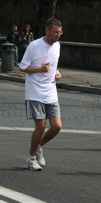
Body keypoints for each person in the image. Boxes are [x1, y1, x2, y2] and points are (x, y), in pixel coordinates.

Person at [19, 18, 63, 171]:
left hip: (51, 91)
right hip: (35, 91)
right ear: (47, 30)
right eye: (55, 32)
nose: (58, 35)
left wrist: (57, 73)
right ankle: (31, 158)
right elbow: (22, 67)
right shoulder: (35, 45)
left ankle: (39, 146)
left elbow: (54, 67)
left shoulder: (57, 46)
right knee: (41, 126)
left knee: (57, 126)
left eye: (60, 32)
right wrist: (39, 69)